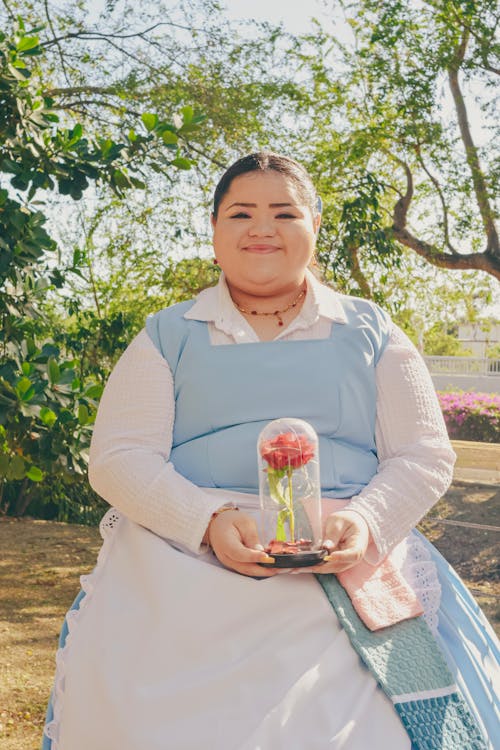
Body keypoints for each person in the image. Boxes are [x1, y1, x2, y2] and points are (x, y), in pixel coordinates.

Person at [42, 152, 499, 750]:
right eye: (241, 213)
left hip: (343, 551)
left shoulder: (371, 331)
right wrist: (207, 522)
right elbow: (120, 455)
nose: (262, 228)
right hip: (184, 553)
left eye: (285, 212)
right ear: (214, 233)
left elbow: (423, 454)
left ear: (314, 228)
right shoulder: (167, 334)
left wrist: (363, 522)